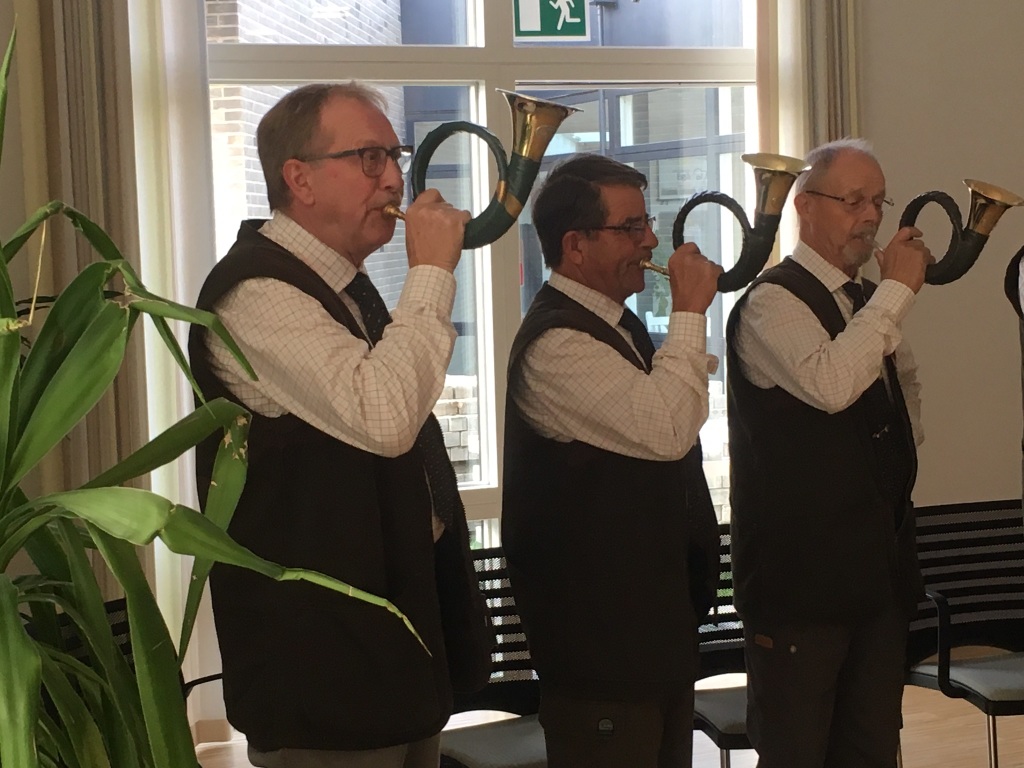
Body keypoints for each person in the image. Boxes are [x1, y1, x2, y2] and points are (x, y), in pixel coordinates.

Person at [187, 82, 493, 768]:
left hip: (391, 648)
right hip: (324, 672)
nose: (394, 179)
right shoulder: (257, 293)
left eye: (394, 156)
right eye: (369, 158)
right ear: (299, 179)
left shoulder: (343, 285)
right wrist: (432, 274)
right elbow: (385, 416)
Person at [501, 153, 723, 768]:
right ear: (575, 245)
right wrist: (689, 312)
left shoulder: (616, 323)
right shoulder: (557, 343)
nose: (650, 240)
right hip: (600, 655)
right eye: (630, 227)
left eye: (646, 223)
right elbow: (668, 428)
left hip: (651, 641)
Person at [727, 137, 933, 768]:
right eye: (853, 201)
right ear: (804, 206)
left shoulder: (865, 302)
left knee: (871, 750)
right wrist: (897, 293)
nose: (870, 217)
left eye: (878, 202)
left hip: (875, 580)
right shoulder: (771, 301)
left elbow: (904, 396)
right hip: (800, 590)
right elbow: (832, 383)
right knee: (798, 753)